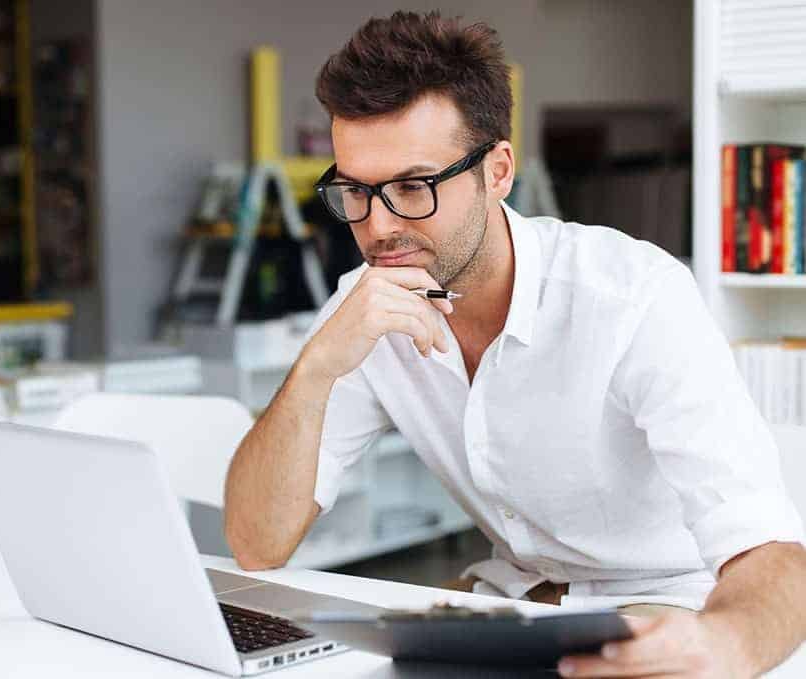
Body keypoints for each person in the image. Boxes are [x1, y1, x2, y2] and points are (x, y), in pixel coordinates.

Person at [224, 11, 806, 678]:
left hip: (672, 611)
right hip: (511, 607)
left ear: (497, 170)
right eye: (356, 190)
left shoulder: (635, 298)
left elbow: (773, 555)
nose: (380, 226)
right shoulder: (365, 305)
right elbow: (255, 542)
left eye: (413, 186)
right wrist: (315, 368)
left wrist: (723, 646)